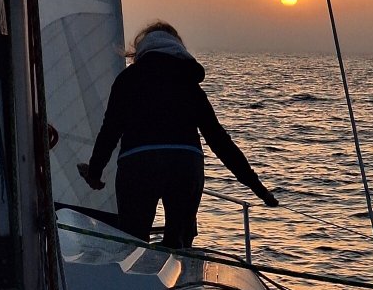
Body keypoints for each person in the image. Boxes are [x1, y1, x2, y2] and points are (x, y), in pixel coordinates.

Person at [78, 21, 277, 248]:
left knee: (132, 243)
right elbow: (218, 139)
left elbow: (110, 130)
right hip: (184, 164)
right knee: (179, 243)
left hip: (138, 163)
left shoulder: (128, 79)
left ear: (140, 50)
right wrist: (257, 187)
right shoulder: (189, 83)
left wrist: (94, 173)